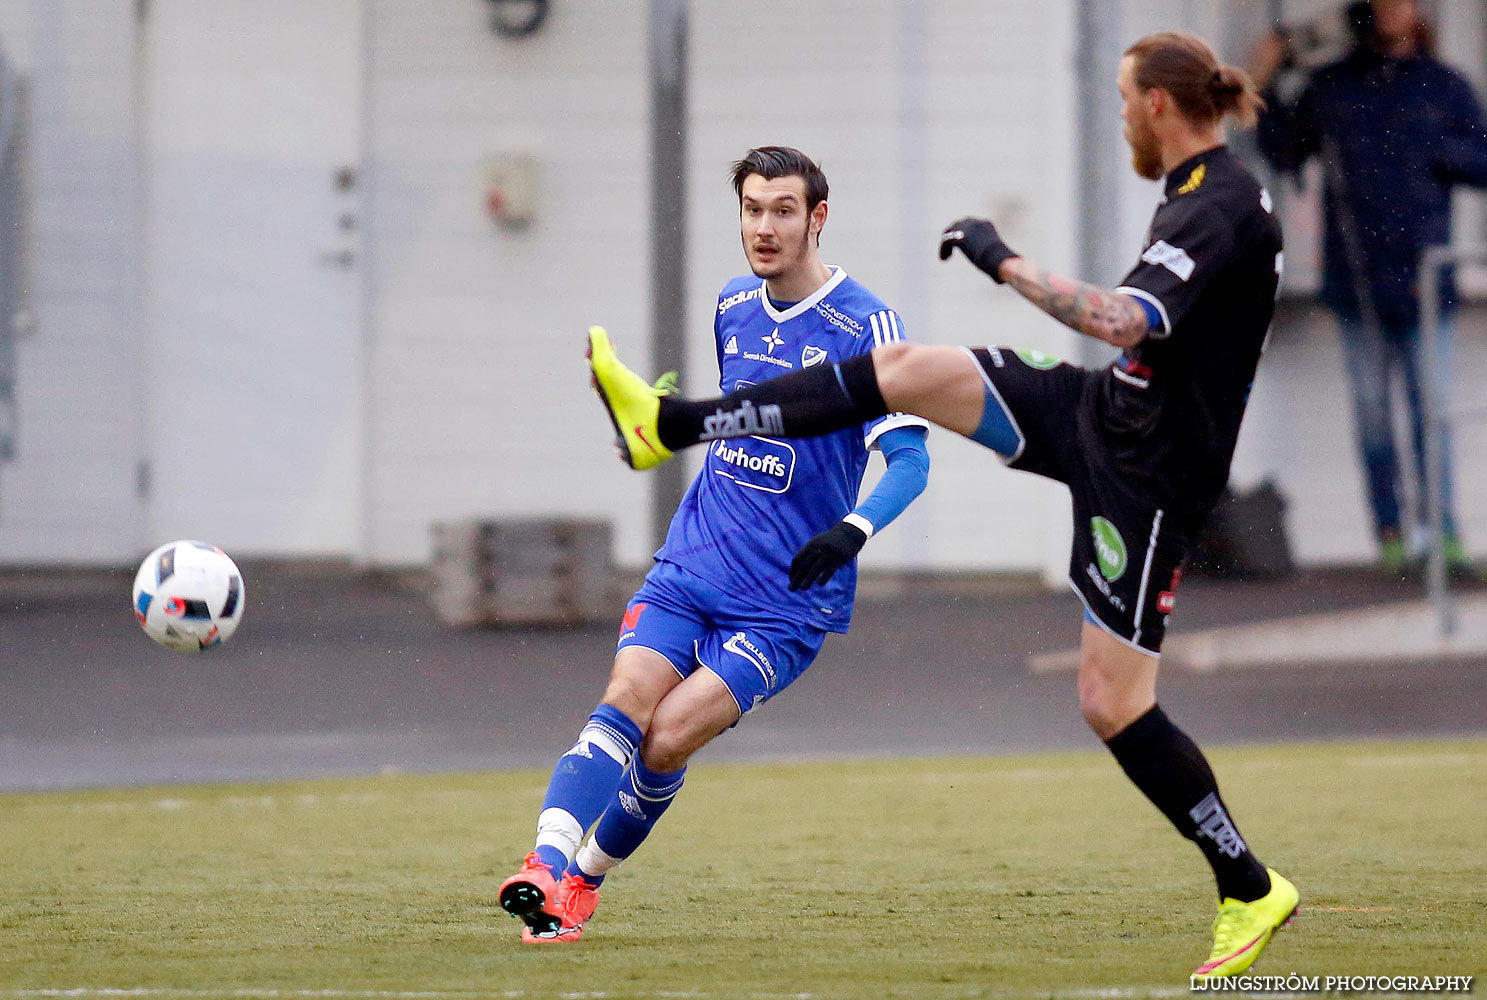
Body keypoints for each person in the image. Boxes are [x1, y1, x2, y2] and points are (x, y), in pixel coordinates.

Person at [589, 34, 1298, 979]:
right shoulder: (1191, 191)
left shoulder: (1218, 206)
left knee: (1111, 703)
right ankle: (676, 424)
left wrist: (1002, 258)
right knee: (903, 371)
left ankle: (1248, 886)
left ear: (1159, 107)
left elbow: (1121, 319)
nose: (1121, 113)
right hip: (1098, 412)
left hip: (1150, 478)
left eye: (1125, 98)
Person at [501, 146, 931, 943]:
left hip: (785, 602)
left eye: (781, 211)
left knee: (666, 739)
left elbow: (910, 461)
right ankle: (542, 868)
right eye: (751, 209)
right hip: (693, 561)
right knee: (626, 701)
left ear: (817, 218)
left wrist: (851, 529)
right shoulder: (733, 304)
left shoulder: (865, 326)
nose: (763, 228)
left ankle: (583, 881)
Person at [1252, 0, 1487, 576]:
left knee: (1431, 412)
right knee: (1374, 416)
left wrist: (1430, 148)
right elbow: (1283, 150)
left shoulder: (1443, 85)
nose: (1390, 11)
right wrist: (1265, 80)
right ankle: (1390, 533)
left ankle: (1443, 535)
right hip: (1357, 283)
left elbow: (1482, 161)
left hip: (1427, 283)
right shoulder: (1332, 87)